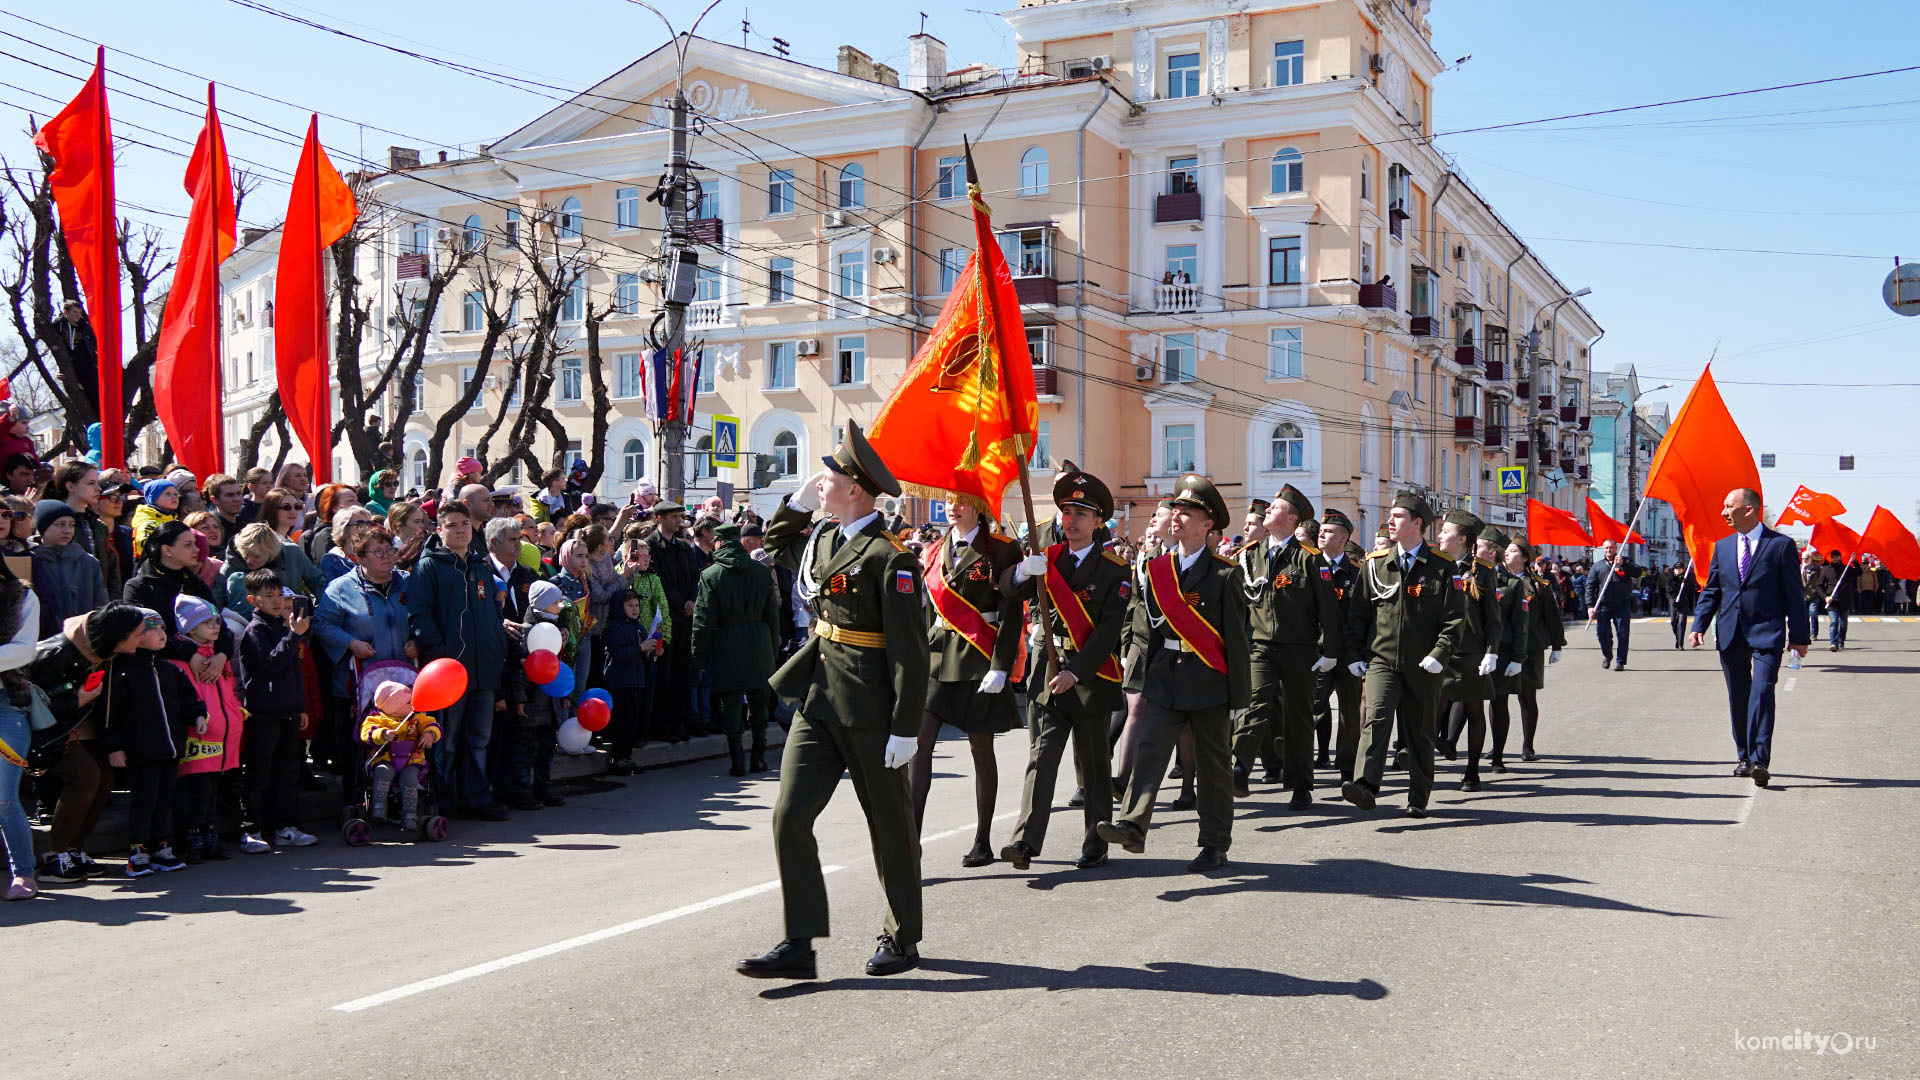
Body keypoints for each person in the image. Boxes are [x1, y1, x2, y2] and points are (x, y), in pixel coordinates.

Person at [737, 420, 930, 981]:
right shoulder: (822, 537)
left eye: (828, 476)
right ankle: (800, 943)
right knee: (789, 816)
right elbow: (773, 542)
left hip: (871, 707)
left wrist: (905, 727)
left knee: (889, 827)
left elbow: (909, 652)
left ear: (855, 488)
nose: (819, 483)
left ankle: (902, 937)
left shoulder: (890, 557)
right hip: (818, 697)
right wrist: (798, 502)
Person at [1099, 474, 1250, 871]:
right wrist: (1139, 674)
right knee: (1149, 750)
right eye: (1176, 509)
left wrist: (1239, 699)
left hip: (1209, 679)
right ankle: (1132, 825)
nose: (1178, 516)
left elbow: (1238, 639)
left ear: (1208, 524)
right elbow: (1147, 629)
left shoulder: (1225, 574)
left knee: (1214, 768)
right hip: (1165, 676)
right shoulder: (1156, 568)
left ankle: (1215, 843)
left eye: (1189, 512)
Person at [999, 468, 1129, 873]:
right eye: (1065, 511)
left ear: (1097, 522)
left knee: (1093, 765)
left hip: (1088, 676)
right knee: (1041, 758)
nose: (1070, 519)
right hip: (1046, 674)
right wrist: (1023, 571)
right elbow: (1006, 589)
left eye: (1080, 513)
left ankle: (1096, 842)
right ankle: (1024, 841)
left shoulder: (1114, 569)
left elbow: (1109, 629)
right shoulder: (1045, 559)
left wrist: (1077, 672)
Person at [909, 496, 1023, 867]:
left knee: (980, 749)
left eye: (961, 502)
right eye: (948, 501)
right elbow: (930, 612)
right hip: (938, 657)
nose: (952, 508)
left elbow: (1011, 614)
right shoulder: (934, 549)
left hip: (978, 659)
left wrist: (1002, 665)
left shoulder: (1001, 549)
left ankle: (982, 840)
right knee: (918, 745)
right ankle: (911, 842)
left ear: (978, 506)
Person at [1341, 492, 1465, 818]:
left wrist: (1440, 653)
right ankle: (1365, 785)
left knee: (1419, 731)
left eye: (1397, 516)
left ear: (1417, 523)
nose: (1390, 521)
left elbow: (1454, 618)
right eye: (1390, 516)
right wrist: (1354, 653)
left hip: (1424, 663)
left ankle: (1418, 797)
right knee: (1376, 716)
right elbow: (1358, 615)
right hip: (1382, 659)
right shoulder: (1375, 565)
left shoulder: (1442, 568)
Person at [1688, 488, 1810, 788]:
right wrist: (1699, 624)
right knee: (1739, 697)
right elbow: (1713, 590)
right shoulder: (1724, 546)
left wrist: (1799, 637)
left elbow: (1795, 596)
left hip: (1767, 633)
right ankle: (1743, 755)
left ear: (1749, 510)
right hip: (1731, 633)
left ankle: (1760, 760)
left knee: (1762, 692)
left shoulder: (1780, 546)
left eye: (1729, 506)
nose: (1723, 512)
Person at [1230, 485, 1340, 808]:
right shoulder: (1249, 556)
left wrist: (1330, 652)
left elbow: (1328, 610)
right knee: (1255, 704)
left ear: (1292, 518)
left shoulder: (1309, 559)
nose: (1268, 510)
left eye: (1276, 507)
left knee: (1299, 716)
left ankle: (1301, 784)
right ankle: (1239, 768)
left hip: (1299, 648)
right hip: (1260, 647)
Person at [407, 501, 510, 819]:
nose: (460, 529)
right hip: (448, 673)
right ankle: (444, 800)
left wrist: (497, 649)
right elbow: (420, 615)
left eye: (464, 523)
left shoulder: (480, 565)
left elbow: (493, 611)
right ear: (439, 530)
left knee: (479, 738)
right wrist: (440, 655)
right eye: (451, 525)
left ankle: (477, 799)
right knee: (446, 740)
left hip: (483, 669)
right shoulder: (428, 566)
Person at [100, 609, 202, 875]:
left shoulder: (167, 668)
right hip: (140, 750)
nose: (161, 634)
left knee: (164, 799)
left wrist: (198, 714)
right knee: (144, 800)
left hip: (170, 750)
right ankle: (138, 851)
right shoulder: (118, 672)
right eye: (152, 629)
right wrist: (114, 746)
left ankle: (160, 847)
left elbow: (189, 697)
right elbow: (110, 714)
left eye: (163, 628)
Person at [691, 522, 782, 778]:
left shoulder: (711, 575)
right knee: (759, 700)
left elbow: (703, 620)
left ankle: (737, 761)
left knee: (730, 701)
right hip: (760, 639)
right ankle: (759, 758)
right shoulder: (762, 572)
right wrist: (773, 647)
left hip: (727, 641)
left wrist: (698, 654)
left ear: (719, 543)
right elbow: (772, 615)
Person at [238, 570, 318, 850]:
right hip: (264, 712)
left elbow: (294, 674)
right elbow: (272, 663)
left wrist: (300, 707)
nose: (275, 601)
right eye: (267, 596)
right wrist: (294, 636)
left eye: (278, 595)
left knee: (287, 772)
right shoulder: (256, 631)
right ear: (253, 600)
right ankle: (251, 829)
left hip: (288, 711)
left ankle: (285, 826)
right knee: (258, 772)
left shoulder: (285, 627)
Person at [168, 595, 244, 864]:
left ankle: (209, 832)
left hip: (221, 735)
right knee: (194, 791)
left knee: (211, 789)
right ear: (189, 629)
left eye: (216, 621)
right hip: (198, 736)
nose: (215, 626)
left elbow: (228, 691)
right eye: (207, 622)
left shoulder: (217, 658)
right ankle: (192, 836)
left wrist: (237, 711)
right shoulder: (182, 662)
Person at [1437, 513, 1506, 792]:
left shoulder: (1482, 571)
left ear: (1462, 539)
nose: (1440, 535)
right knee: (1432, 707)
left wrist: (1491, 651)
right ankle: (1436, 746)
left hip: (1470, 652)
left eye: (1445, 531)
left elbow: (1492, 617)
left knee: (1474, 709)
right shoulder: (1434, 565)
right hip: (1439, 652)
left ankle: (1472, 771)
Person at [501, 579, 573, 810]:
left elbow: (559, 666)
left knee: (545, 750)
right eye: (555, 603)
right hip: (532, 702)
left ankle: (543, 789)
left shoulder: (556, 630)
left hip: (549, 702)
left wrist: (563, 692)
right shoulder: (527, 633)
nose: (560, 607)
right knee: (525, 750)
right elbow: (517, 671)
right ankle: (521, 792)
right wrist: (520, 697)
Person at [0, 556, 42, 899]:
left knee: (2, 796)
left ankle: (24, 874)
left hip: (6, 708)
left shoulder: (21, 596)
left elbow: (23, 652)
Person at [1314, 509, 1364, 783]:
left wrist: (1359, 653)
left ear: (1344, 538)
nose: (1322, 533)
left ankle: (1347, 767)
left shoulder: (1358, 573)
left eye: (1330, 531)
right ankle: (1297, 759)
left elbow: (1362, 615)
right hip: (1317, 652)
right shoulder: (1309, 566)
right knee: (1311, 707)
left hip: (1347, 654)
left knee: (1348, 713)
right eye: (1322, 529)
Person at [647, 502, 704, 741]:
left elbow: (694, 577)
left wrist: (692, 600)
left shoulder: (683, 547)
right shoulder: (651, 546)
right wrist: (682, 602)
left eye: (679, 517)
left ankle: (678, 724)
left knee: (682, 672)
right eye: (673, 517)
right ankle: (662, 725)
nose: (678, 521)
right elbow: (658, 581)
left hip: (685, 618)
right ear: (660, 519)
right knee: (665, 674)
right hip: (664, 618)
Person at [360, 681, 441, 829]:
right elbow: (366, 733)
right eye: (408, 703)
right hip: (386, 758)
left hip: (411, 760)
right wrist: (383, 734)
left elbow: (432, 724)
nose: (412, 705)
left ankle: (410, 814)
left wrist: (430, 734)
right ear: (394, 707)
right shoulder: (377, 719)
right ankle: (379, 807)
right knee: (383, 772)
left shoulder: (416, 718)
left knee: (409, 779)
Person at [601, 588, 658, 775]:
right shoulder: (615, 628)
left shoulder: (639, 628)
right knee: (622, 723)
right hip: (620, 682)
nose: (635, 609)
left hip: (636, 681)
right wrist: (640, 648)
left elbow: (640, 656)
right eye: (629, 605)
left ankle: (627, 757)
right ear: (619, 607)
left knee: (633, 721)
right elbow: (619, 655)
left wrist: (651, 651)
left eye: (636, 605)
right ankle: (617, 759)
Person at [30, 500, 108, 635]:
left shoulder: (88, 563)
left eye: (71, 525)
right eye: (60, 525)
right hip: (41, 641)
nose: (67, 530)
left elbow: (101, 604)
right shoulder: (31, 560)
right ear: (43, 527)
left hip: (80, 640)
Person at [1584, 539, 1638, 671]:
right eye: (1606, 548)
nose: (1609, 550)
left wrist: (1623, 564)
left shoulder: (1625, 561)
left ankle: (1620, 661)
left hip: (1622, 604)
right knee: (1602, 633)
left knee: (1623, 634)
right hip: (1604, 605)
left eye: (1611, 548)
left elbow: (1637, 572)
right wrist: (1590, 606)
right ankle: (1607, 655)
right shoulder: (1597, 566)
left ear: (1616, 548)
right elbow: (1590, 586)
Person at [130, 477, 183, 557]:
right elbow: (147, 549)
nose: (174, 497)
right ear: (153, 498)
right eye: (167, 493)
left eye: (175, 494)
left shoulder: (172, 519)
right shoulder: (146, 521)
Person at [1821, 551, 1857, 651]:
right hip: (1832, 601)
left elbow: (1859, 573)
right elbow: (1819, 586)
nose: (1834, 558)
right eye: (1833, 557)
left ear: (1840, 557)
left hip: (1845, 600)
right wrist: (1825, 597)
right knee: (1833, 621)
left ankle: (1841, 641)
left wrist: (1854, 561)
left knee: (1843, 623)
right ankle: (1833, 643)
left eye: (1837, 556)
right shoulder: (1825, 570)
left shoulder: (1846, 569)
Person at [1672, 563, 1700, 649]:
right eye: (1676, 568)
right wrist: (1674, 598)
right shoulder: (1671, 578)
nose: (1678, 570)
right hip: (1674, 604)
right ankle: (1677, 638)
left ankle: (1681, 644)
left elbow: (1692, 590)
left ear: (1683, 569)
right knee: (1674, 622)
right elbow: (1668, 590)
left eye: (1680, 568)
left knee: (1681, 622)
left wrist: (1686, 583)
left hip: (1684, 603)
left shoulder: (1687, 578)